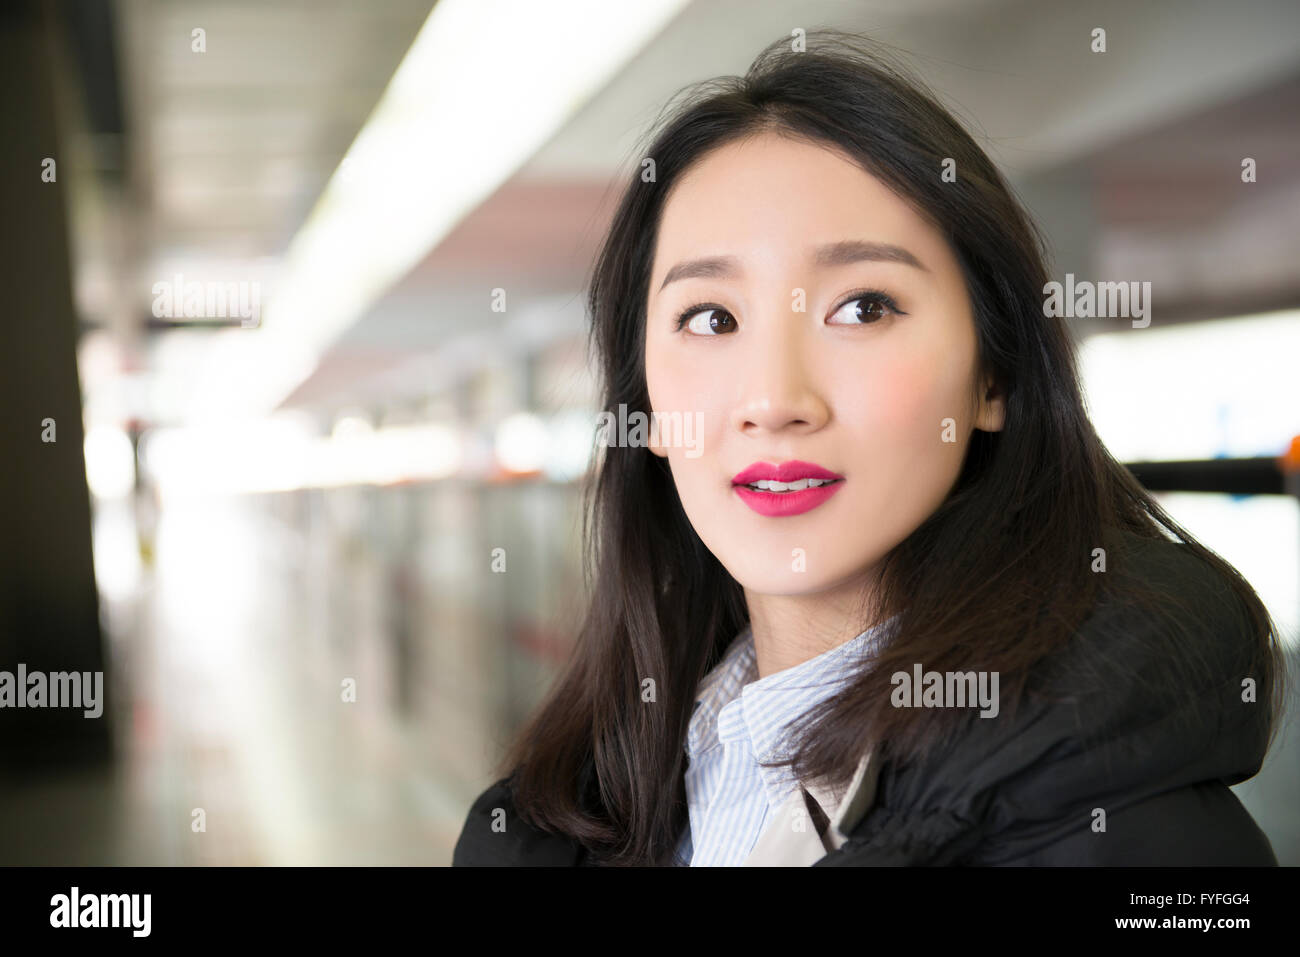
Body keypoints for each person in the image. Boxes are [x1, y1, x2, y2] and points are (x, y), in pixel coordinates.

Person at [452, 29, 1286, 866]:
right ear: (650, 405)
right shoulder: (548, 822)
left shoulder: (1144, 845)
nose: (775, 401)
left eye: (863, 307)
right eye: (711, 317)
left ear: (992, 376)